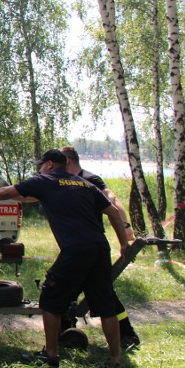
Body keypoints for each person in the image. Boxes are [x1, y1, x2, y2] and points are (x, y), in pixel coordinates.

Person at [0, 149, 129, 368]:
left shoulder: (45, 180)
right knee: (105, 305)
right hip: (99, 248)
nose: (39, 168)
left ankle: (51, 354)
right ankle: (116, 359)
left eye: (40, 165)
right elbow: (113, 212)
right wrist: (123, 243)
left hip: (76, 249)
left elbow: (5, 192)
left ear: (48, 165)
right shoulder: (84, 184)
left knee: (50, 298)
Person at [60, 145, 141, 350]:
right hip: (75, 246)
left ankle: (127, 334)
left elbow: (111, 198)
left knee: (100, 292)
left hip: (90, 246)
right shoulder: (64, 181)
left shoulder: (90, 179)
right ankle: (66, 330)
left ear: (67, 161)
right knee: (78, 288)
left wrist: (125, 228)